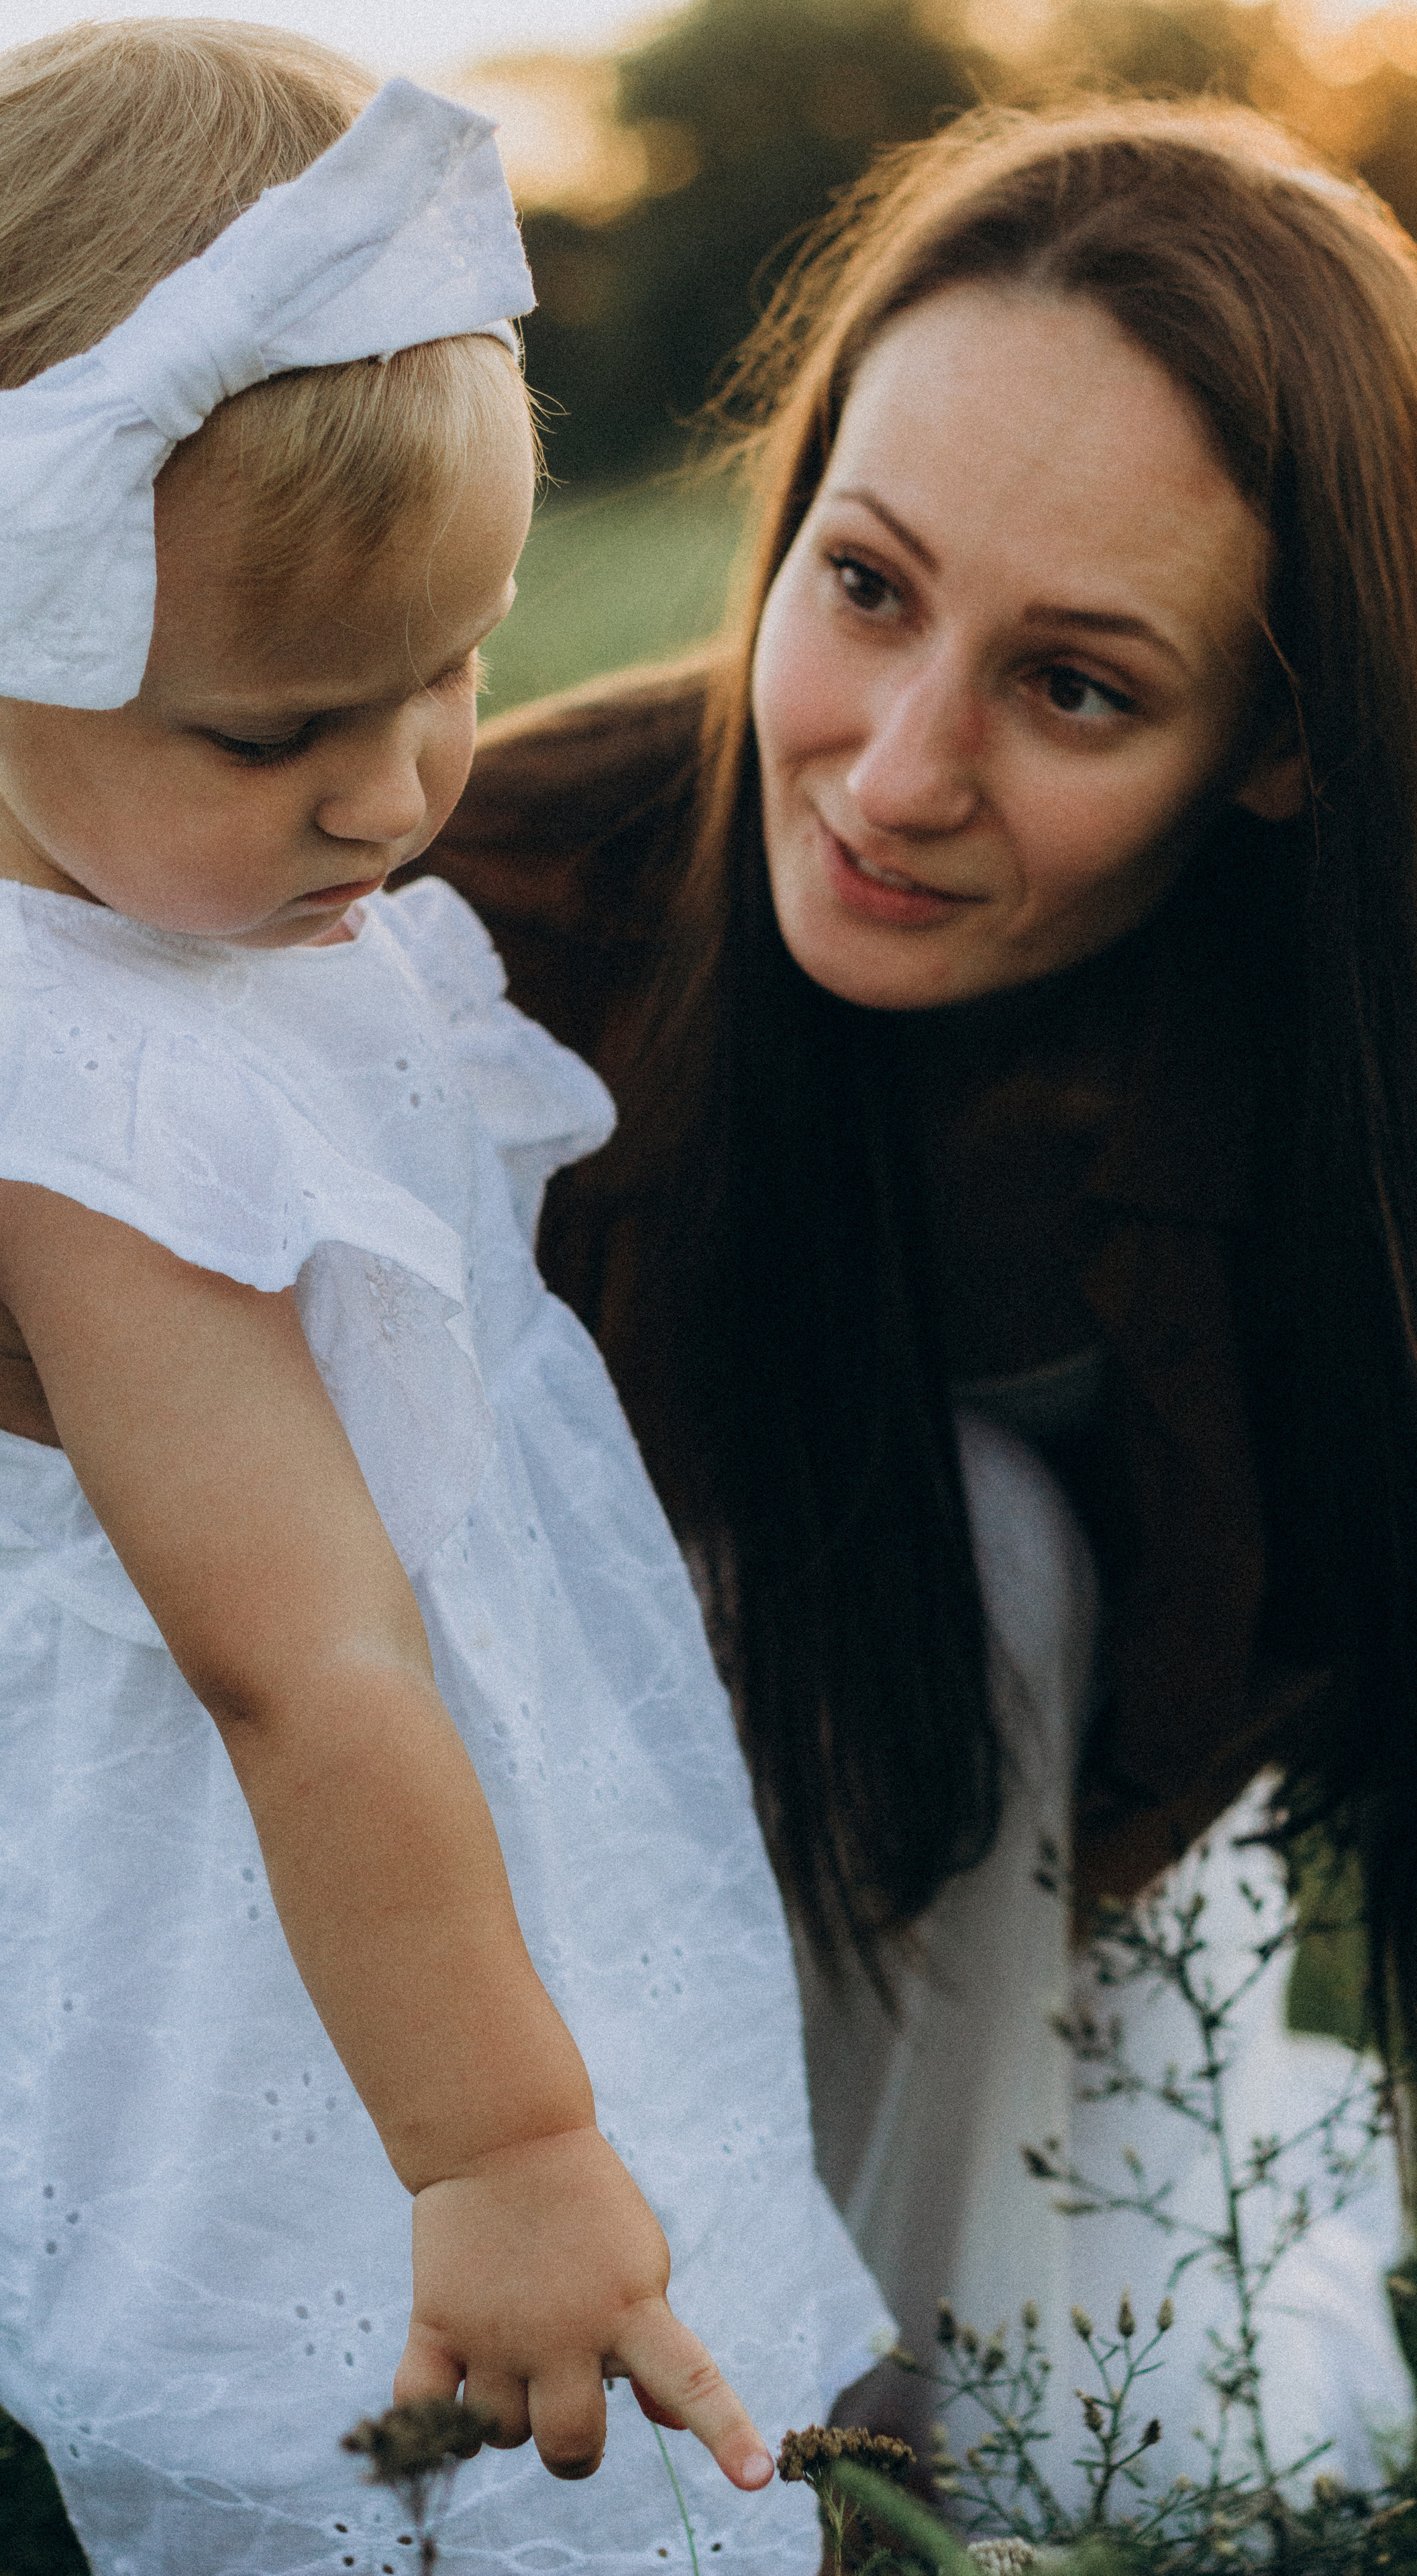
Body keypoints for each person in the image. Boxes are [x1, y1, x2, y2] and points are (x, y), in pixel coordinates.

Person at [432, 98, 1417, 2502]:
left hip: (1036, 1866)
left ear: (1283, 741)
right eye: (865, 584)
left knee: (1127, 2449)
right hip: (495, 1888)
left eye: (1077, 687)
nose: (897, 775)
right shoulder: (495, 913)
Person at [0, 24, 890, 2576]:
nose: (398, 793)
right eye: (279, 726)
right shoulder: (84, 1093)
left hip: (461, 1838)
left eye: (453, 669)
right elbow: (300, 1662)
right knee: (425, 2470)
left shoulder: (237, 918)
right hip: (341, 1969)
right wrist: (497, 2144)